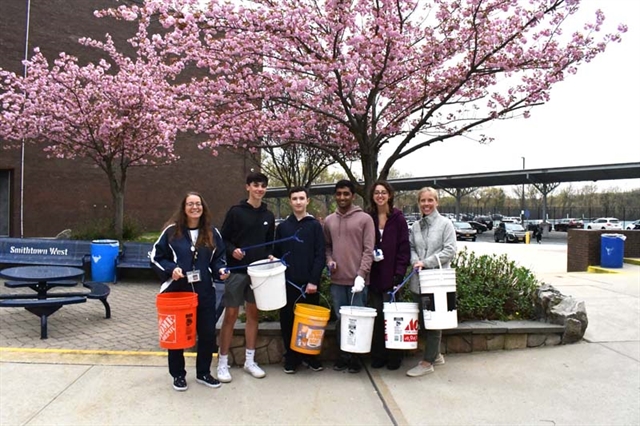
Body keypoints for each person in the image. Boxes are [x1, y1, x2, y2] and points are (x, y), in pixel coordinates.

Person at [151, 191, 230, 391]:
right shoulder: (171, 232)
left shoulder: (212, 232)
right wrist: (171, 269)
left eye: (198, 204)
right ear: (184, 208)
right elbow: (155, 257)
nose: (195, 207)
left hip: (204, 290)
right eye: (190, 204)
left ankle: (204, 373)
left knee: (206, 333)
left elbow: (219, 258)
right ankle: (178, 374)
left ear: (203, 208)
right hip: (177, 291)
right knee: (177, 335)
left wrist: (220, 270)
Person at [217, 172, 275, 382]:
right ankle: (222, 362)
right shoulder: (235, 212)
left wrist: (269, 254)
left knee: (253, 315)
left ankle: (250, 361)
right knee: (231, 316)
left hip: (258, 273)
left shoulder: (268, 216)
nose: (259, 189)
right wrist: (233, 251)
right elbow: (223, 239)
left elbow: (270, 243)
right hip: (237, 271)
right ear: (247, 187)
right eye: (255, 185)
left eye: (263, 186)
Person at [323, 179, 375, 373]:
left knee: (357, 322)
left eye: (346, 194)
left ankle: (356, 358)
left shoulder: (365, 219)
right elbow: (327, 247)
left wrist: (361, 275)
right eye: (339, 194)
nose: (342, 197)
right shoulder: (329, 220)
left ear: (353, 196)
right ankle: (343, 356)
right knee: (340, 320)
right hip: (337, 281)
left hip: (358, 283)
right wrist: (329, 260)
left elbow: (369, 250)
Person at [272, 186, 326, 374]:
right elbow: (276, 253)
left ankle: (310, 357)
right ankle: (291, 357)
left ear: (307, 201)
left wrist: (313, 281)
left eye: (301, 198)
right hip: (288, 284)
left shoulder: (314, 226)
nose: (298, 202)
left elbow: (320, 255)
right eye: (294, 198)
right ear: (290, 201)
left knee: (311, 324)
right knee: (288, 321)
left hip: (309, 284)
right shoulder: (283, 227)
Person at [407, 187, 457, 378]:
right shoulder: (416, 226)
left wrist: (426, 262)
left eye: (430, 200)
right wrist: (414, 261)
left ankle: (428, 362)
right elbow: (411, 247)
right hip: (418, 281)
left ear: (437, 202)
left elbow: (450, 250)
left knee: (434, 322)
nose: (426, 204)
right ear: (418, 203)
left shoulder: (446, 224)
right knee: (421, 320)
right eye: (423, 200)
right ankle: (436, 355)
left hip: (437, 282)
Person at [367, 181, 411, 371]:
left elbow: (404, 248)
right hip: (374, 276)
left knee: (393, 319)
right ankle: (379, 354)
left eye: (383, 192)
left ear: (390, 195)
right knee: (377, 318)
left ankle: (395, 356)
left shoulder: (398, 219)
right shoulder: (368, 217)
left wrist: (399, 273)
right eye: (377, 193)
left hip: (392, 277)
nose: (380, 196)